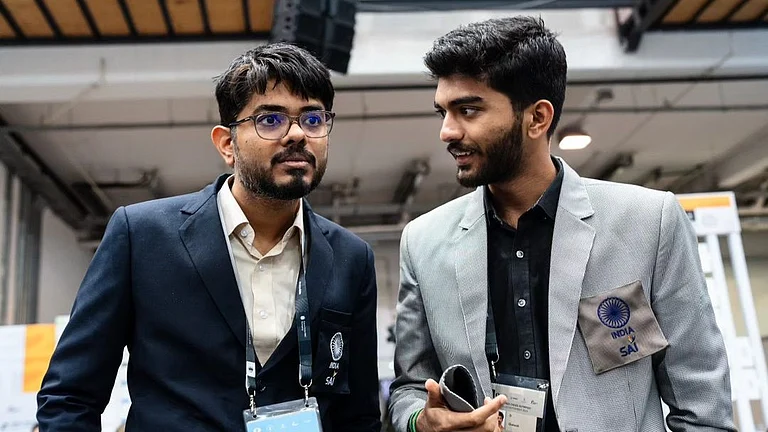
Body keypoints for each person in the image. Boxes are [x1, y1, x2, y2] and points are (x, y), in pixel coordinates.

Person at [388, 16, 735, 432]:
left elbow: (702, 403)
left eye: (468, 110)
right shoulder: (423, 243)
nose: (447, 131)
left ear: (537, 119)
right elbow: (409, 387)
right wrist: (418, 422)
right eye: (443, 112)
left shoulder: (648, 222)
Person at [37, 43, 381, 432]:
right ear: (226, 144)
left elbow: (359, 414)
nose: (298, 134)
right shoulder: (143, 235)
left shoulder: (351, 258)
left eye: (313, 119)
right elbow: (70, 395)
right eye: (271, 120)